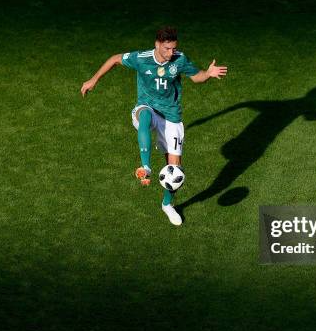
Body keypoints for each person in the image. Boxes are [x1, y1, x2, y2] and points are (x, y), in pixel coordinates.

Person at [80, 27, 227, 225]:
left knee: (175, 171)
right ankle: (146, 166)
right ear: (157, 44)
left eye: (173, 48)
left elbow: (196, 77)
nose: (170, 53)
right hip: (146, 106)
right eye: (166, 49)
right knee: (145, 115)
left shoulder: (179, 59)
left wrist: (208, 74)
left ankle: (167, 204)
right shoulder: (141, 58)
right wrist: (93, 79)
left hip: (171, 116)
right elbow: (115, 58)